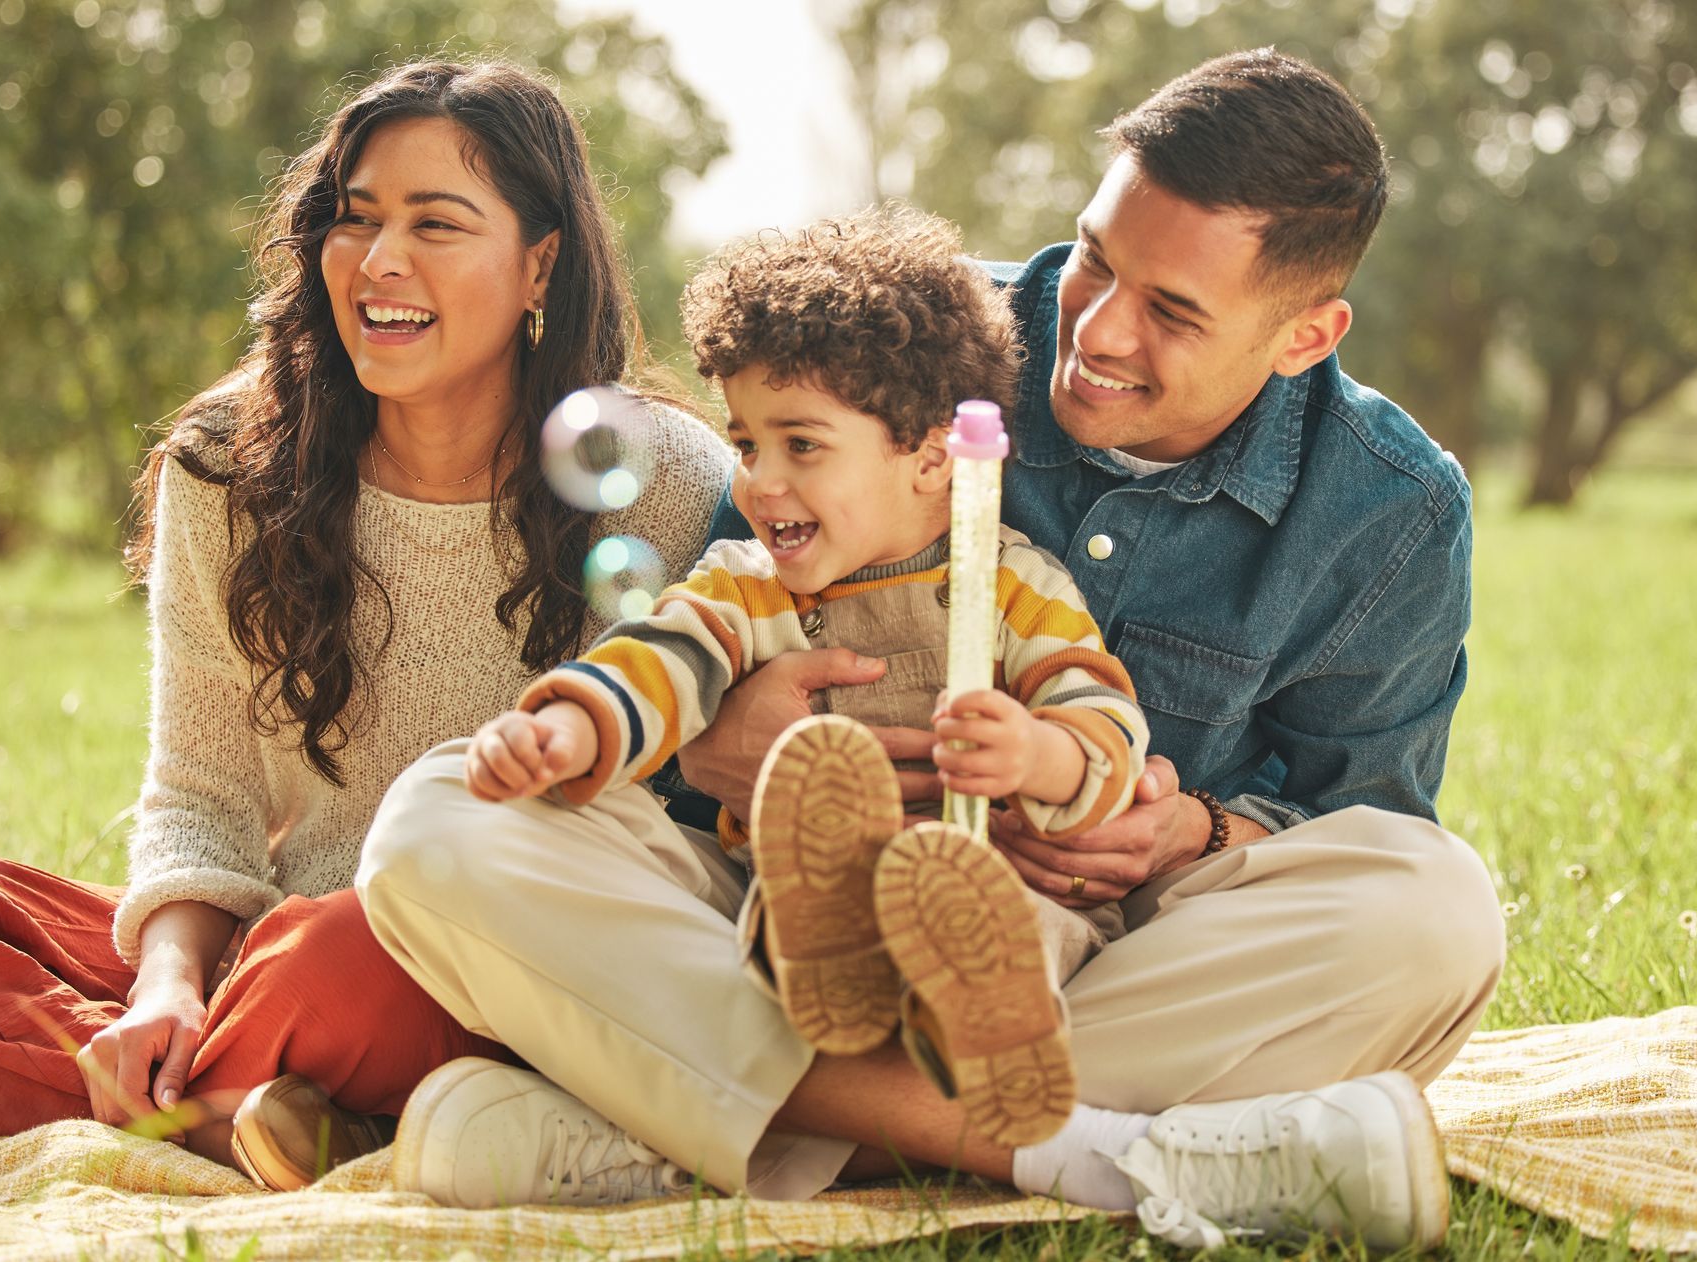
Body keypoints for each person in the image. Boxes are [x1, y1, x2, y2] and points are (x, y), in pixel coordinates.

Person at [357, 49, 1503, 1250]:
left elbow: (1350, 809)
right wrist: (712, 742)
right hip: (788, 925)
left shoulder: (1390, 509)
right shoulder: (897, 338)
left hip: (1085, 945)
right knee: (437, 823)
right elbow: (706, 621)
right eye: (1098, 257)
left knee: (1434, 911)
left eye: (1171, 310)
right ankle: (1116, 1156)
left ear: (1305, 335)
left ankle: (663, 1127)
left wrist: (1185, 826)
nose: (1097, 327)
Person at [0, 58, 731, 1191]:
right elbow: (200, 793)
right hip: (263, 949)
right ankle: (257, 1104)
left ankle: (147, 1095)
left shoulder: (660, 476)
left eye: (437, 222)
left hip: (498, 967)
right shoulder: (232, 467)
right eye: (355, 217)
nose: (380, 260)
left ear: (540, 264)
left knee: (327, 955)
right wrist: (166, 985)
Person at [452, 208, 1150, 1148]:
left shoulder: (1012, 585)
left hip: (993, 890)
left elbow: (1100, 713)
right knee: (468, 817)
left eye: (802, 445)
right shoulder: (745, 587)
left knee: (1005, 918)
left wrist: (1038, 755)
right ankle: (831, 966)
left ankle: (979, 1029)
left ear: (934, 460)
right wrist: (571, 728)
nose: (759, 481)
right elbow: (665, 658)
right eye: (745, 445)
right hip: (786, 902)